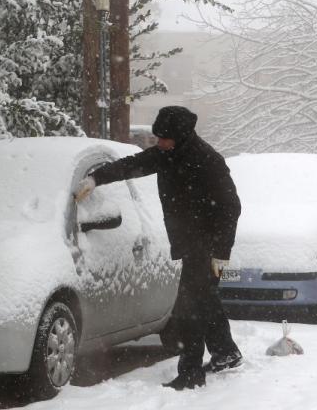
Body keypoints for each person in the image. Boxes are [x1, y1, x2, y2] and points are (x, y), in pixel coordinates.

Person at [74, 106, 243, 390]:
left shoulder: (208, 161)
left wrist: (220, 255)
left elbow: (231, 208)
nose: (159, 143)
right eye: (158, 138)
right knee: (206, 301)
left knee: (190, 308)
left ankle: (190, 374)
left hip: (208, 247)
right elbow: (130, 164)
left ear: (181, 136)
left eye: (164, 138)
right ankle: (226, 353)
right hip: (190, 243)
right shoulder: (167, 155)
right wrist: (95, 179)